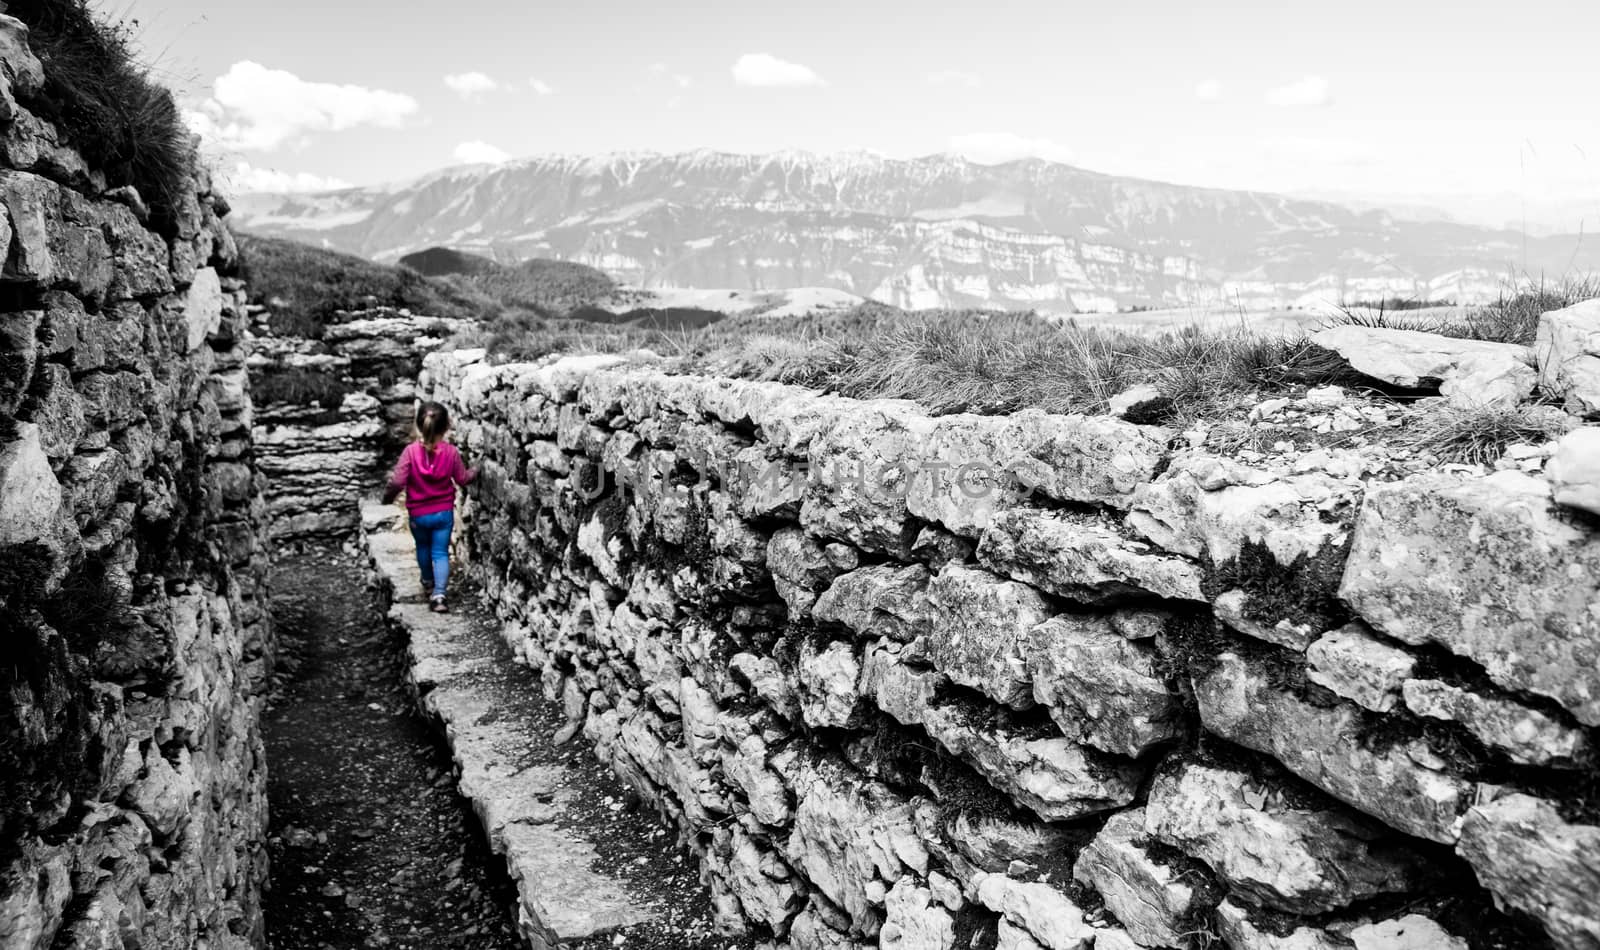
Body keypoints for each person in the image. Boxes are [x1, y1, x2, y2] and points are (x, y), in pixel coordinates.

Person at [382, 401, 477, 612]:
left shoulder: (410, 452)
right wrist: (476, 471)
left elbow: (397, 482)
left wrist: (387, 498)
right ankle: (440, 595)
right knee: (441, 553)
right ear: (446, 427)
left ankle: (427, 581)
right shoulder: (451, 452)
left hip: (418, 515)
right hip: (443, 513)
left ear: (418, 425)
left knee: (423, 548)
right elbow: (462, 479)